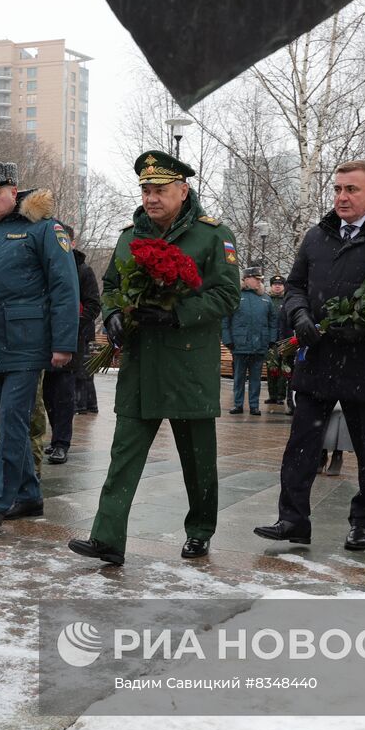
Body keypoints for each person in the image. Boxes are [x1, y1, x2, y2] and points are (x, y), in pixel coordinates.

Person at [69, 150, 239, 566]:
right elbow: (110, 285)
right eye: (146, 190)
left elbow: (226, 294)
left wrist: (175, 314)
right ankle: (107, 537)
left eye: (160, 190)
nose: (151, 198)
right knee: (123, 455)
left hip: (188, 364)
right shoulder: (130, 236)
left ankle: (200, 530)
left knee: (198, 460)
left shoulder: (213, 236)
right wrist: (110, 315)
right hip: (141, 364)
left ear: (183, 190)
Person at [253, 159, 365, 552]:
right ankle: (292, 519)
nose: (342, 197)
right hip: (320, 356)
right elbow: (295, 285)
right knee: (301, 444)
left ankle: (364, 521)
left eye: (351, 189)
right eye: (337, 189)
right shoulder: (317, 236)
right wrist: (298, 315)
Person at [0, 162, 78, 527]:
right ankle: (29, 495)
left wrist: (63, 343)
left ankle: (0, 499)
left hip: (28, 342)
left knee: (12, 417)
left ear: (14, 191)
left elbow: (64, 286)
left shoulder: (43, 229)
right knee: (7, 417)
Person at [42, 221, 101, 463]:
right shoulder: (46, 266)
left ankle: (61, 443)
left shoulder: (82, 270)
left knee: (64, 393)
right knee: (48, 393)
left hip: (71, 339)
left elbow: (93, 305)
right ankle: (56, 436)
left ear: (72, 242)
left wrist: (72, 323)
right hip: (45, 338)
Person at [223, 266, 277, 415]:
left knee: (256, 379)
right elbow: (225, 320)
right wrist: (228, 340)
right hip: (239, 345)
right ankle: (238, 405)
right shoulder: (235, 296)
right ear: (246, 279)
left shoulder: (266, 299)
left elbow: (273, 321)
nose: (259, 282)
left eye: (260, 279)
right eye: (256, 279)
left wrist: (271, 340)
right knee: (239, 377)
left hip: (259, 345)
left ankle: (254, 406)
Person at [72, 227, 103, 415]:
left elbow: (93, 303)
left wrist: (79, 321)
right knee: (81, 369)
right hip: (73, 327)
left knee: (83, 369)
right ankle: (86, 405)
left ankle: (84, 406)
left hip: (81, 328)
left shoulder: (83, 270)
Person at [263, 273, 289, 409]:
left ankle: (280, 396)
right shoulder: (266, 300)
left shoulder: (287, 300)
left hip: (284, 339)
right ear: (271, 286)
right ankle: (272, 395)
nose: (277, 287)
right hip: (270, 340)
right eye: (275, 285)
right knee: (271, 368)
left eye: (280, 285)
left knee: (283, 369)